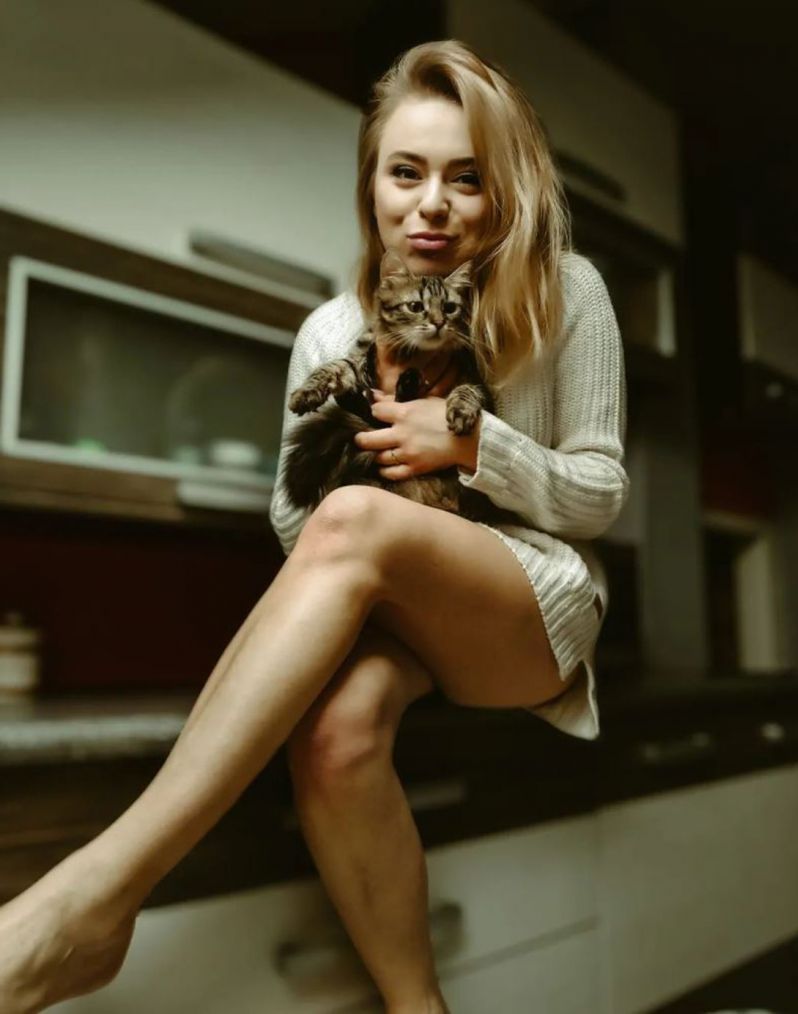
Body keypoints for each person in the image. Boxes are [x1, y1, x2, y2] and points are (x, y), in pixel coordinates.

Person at [0, 38, 629, 1014]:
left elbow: (599, 494)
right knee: (333, 736)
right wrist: (378, 484)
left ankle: (89, 903)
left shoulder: (564, 290)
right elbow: (299, 526)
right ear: (371, 185)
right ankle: (417, 1006)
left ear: (502, 191)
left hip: (525, 606)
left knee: (356, 523)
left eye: (466, 178)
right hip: (394, 613)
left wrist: (475, 446)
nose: (431, 204)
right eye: (406, 172)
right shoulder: (332, 331)